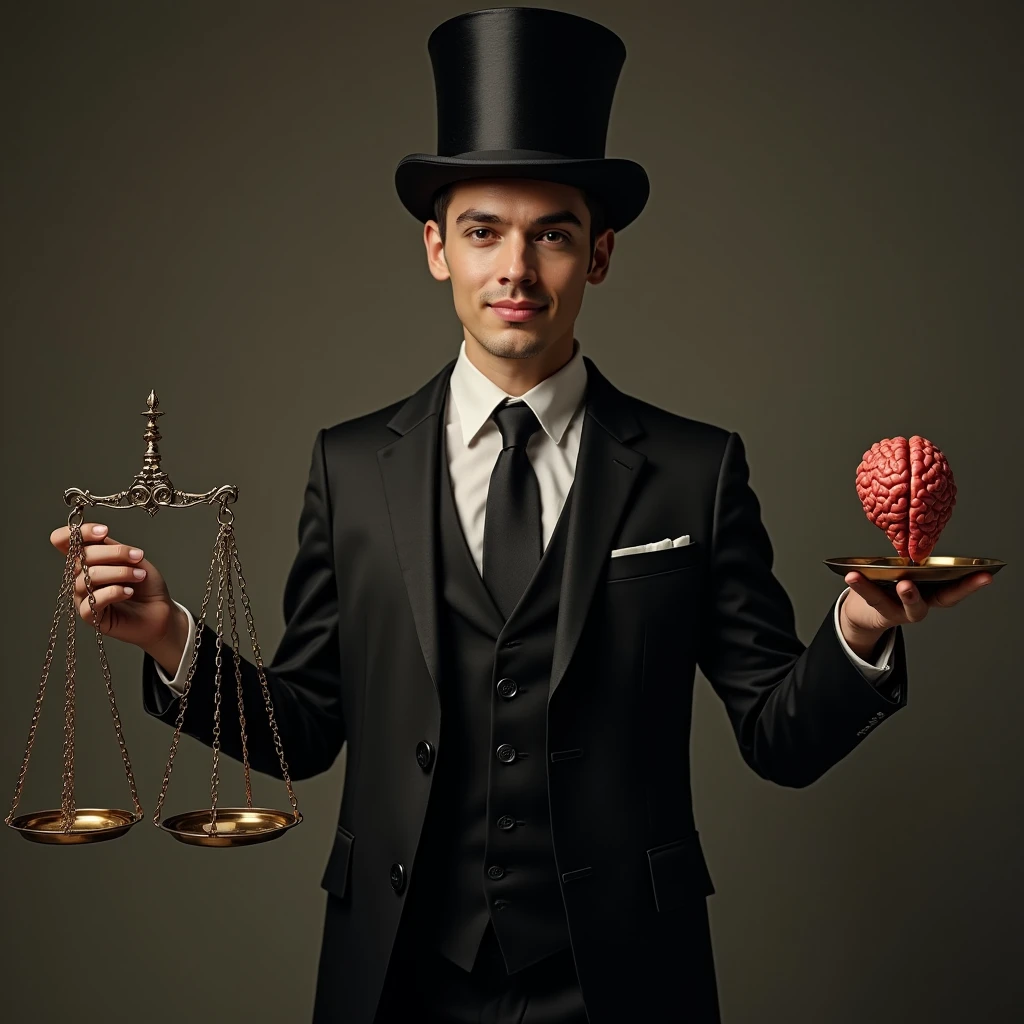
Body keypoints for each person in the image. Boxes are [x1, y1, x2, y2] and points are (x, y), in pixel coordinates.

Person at [49, 8, 994, 1023]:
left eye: (551, 232)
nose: (514, 268)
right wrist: (165, 633)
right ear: (434, 248)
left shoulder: (693, 469)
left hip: (624, 976)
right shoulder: (352, 464)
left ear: (597, 255)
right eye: (483, 231)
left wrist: (856, 633)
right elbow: (307, 728)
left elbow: (778, 736)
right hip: (399, 971)